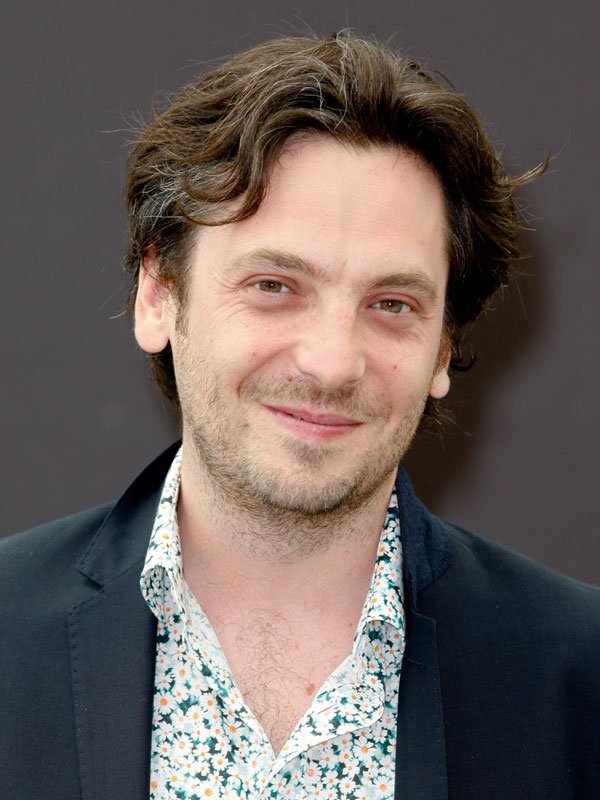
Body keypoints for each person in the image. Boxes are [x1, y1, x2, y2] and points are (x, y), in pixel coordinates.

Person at [1, 31, 598, 800]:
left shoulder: (577, 679)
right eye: (275, 286)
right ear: (158, 295)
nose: (331, 362)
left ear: (443, 348)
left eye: (392, 304)